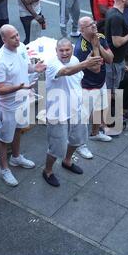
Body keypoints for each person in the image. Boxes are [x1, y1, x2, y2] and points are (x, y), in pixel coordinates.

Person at [43, 38, 103, 187]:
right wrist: (85, 63)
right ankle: (48, 171)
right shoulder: (52, 64)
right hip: (58, 114)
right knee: (57, 147)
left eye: (67, 50)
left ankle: (67, 161)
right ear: (56, 51)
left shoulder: (75, 59)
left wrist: (92, 56)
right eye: (61, 50)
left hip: (76, 109)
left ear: (71, 49)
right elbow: (67, 72)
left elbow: (83, 74)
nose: (64, 53)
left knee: (77, 139)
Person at [0, 25, 46, 187]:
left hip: (22, 100)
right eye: (13, 37)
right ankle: (4, 168)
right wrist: (20, 87)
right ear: (3, 39)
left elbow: (25, 66)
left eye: (17, 35)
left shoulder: (21, 47)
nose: (17, 39)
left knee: (18, 130)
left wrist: (34, 68)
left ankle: (15, 157)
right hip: (8, 106)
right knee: (3, 138)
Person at [74, 16, 114, 160]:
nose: (94, 25)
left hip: (100, 82)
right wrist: (96, 47)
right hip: (87, 87)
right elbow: (96, 68)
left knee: (99, 108)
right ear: (82, 29)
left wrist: (99, 45)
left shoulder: (100, 37)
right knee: (83, 118)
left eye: (93, 23)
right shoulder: (81, 48)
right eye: (90, 25)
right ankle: (80, 145)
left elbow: (110, 59)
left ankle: (95, 133)